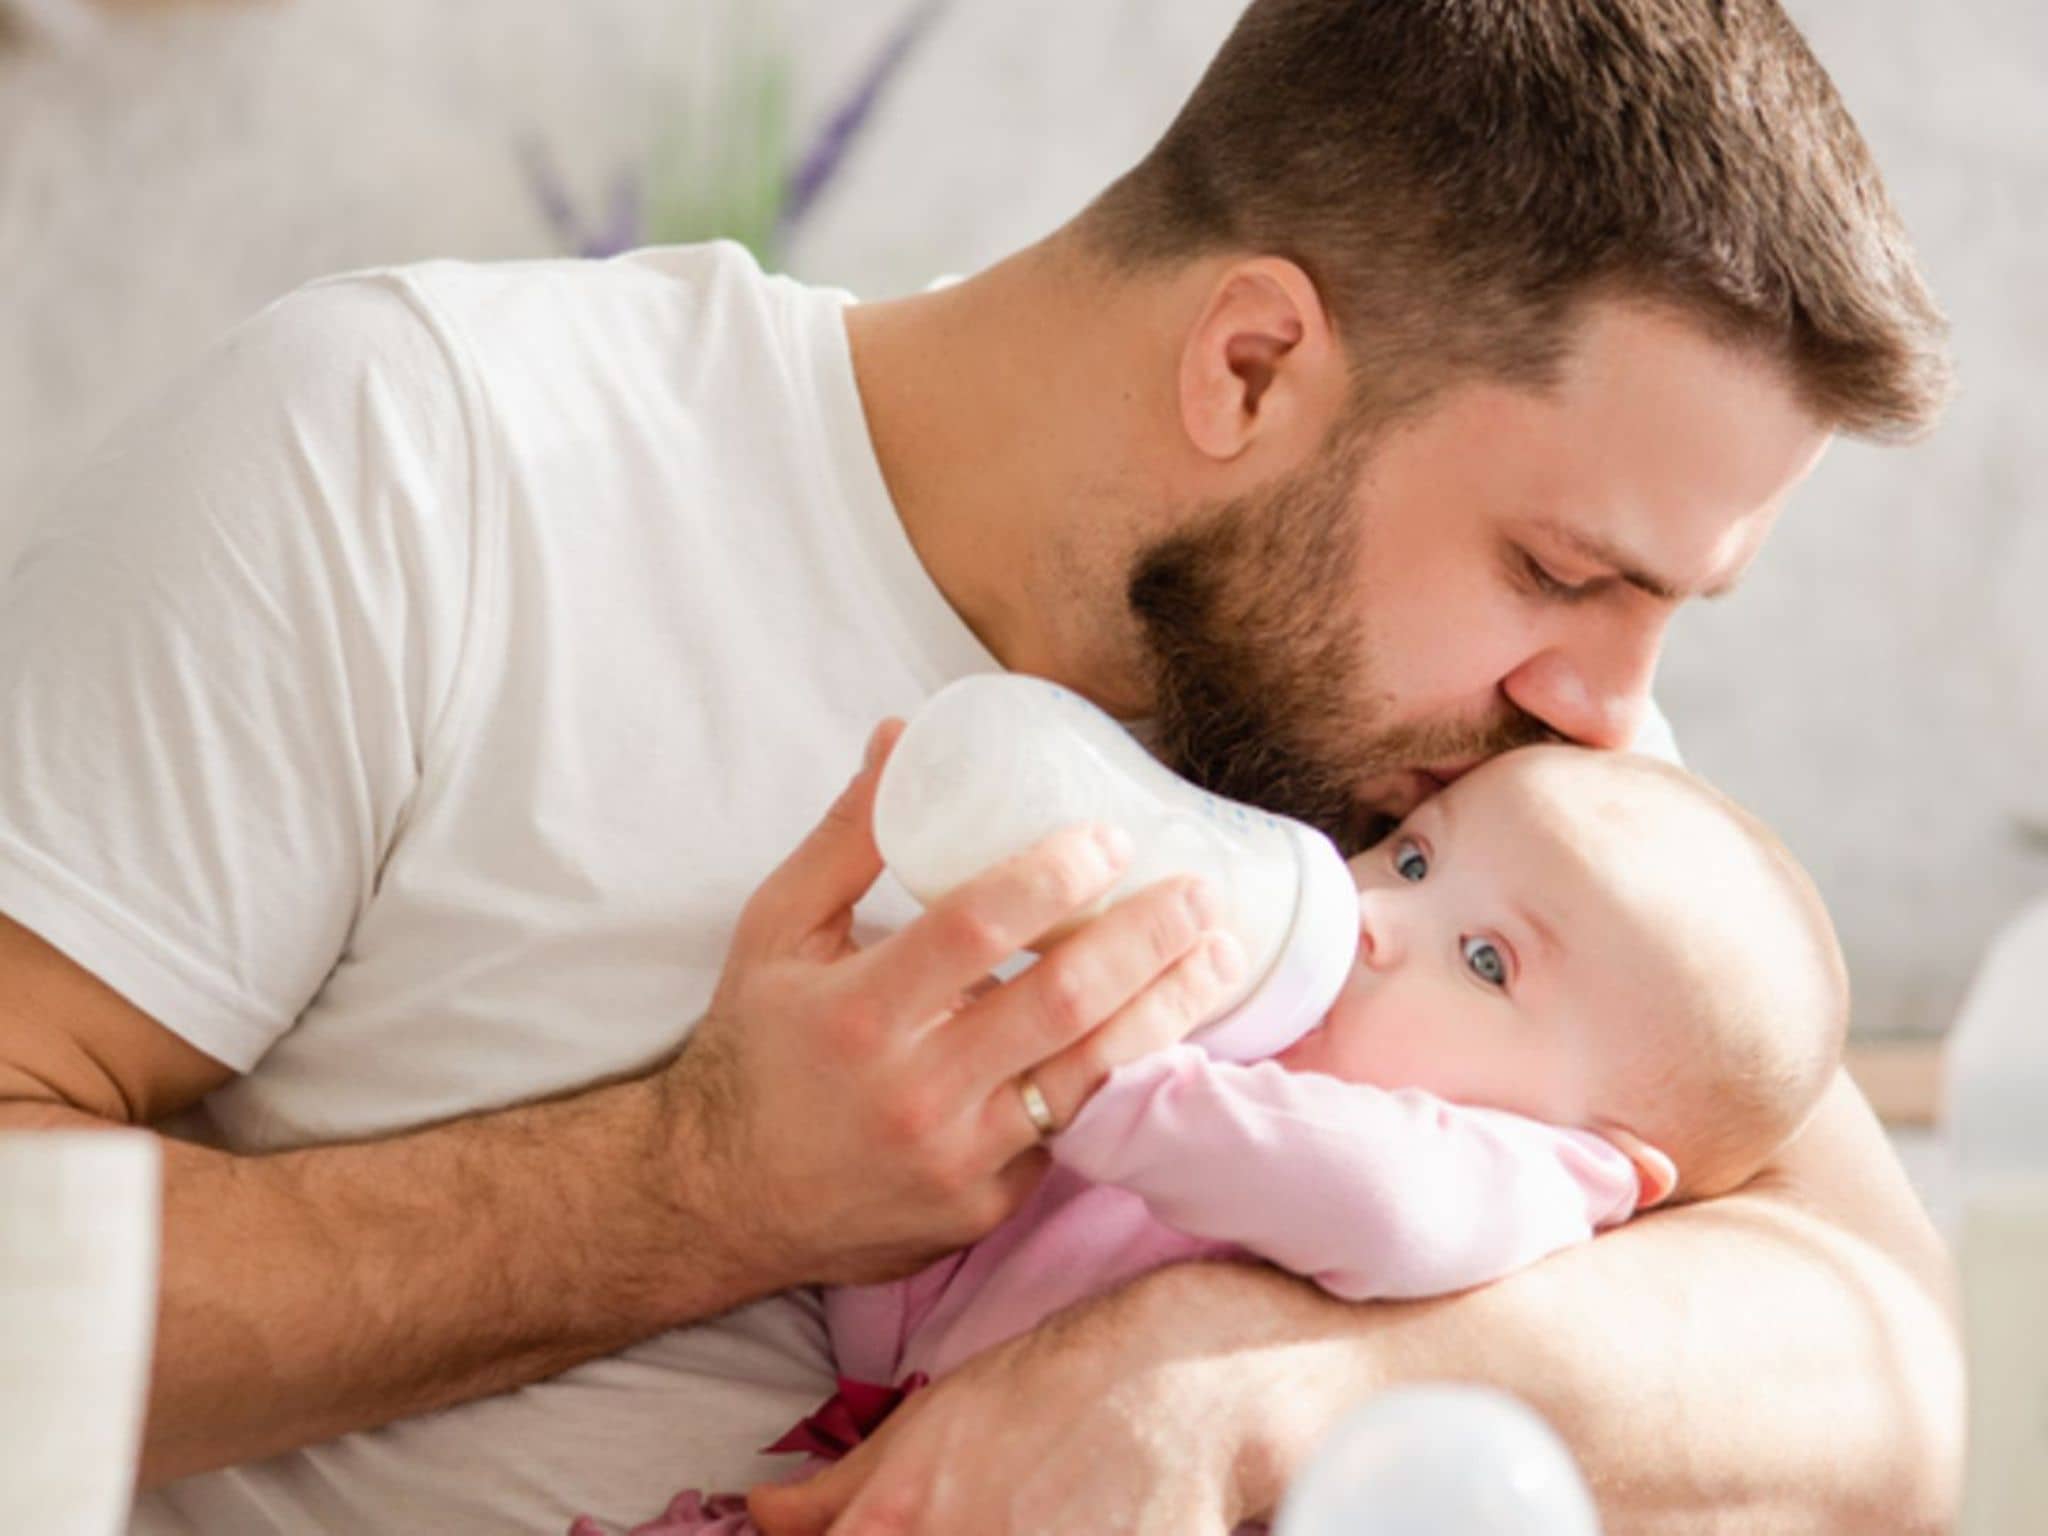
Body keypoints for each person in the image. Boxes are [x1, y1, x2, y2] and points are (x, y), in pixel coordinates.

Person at [0, 2, 1958, 1531]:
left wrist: (1222, 1377)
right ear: (1251, 367)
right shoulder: (416, 468)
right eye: (1561, 572)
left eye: (1663, 611)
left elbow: (1881, 1371)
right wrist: (685, 1191)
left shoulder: (1486, 783)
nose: (1614, 714)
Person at [572, 743, 1851, 1536]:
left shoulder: (1512, 1179)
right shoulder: (1225, 1082)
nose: (1369, 921)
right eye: (1409, 860)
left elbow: (1376, 1200)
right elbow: (898, 1311)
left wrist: (1100, 1080)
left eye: (1483, 960)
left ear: (1612, 1162)